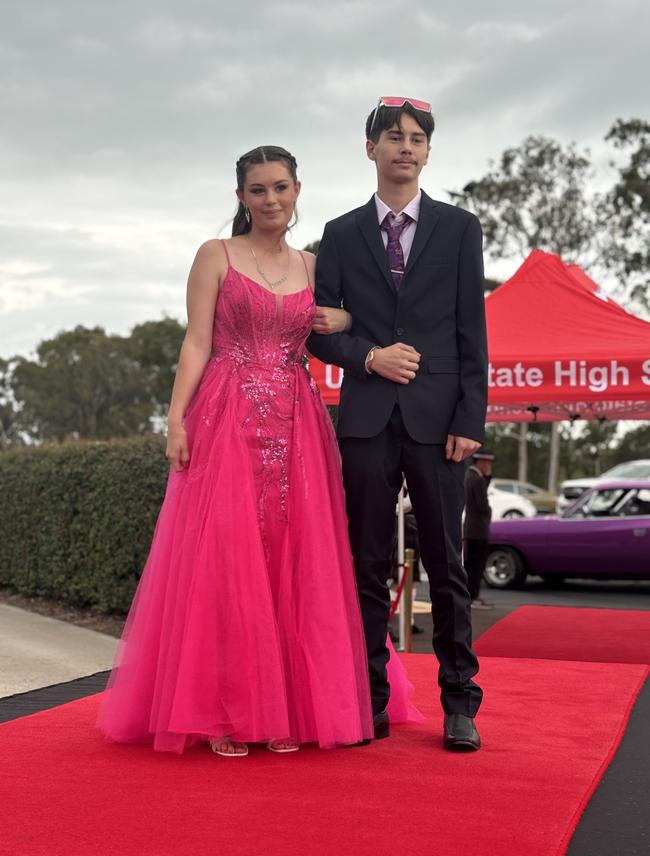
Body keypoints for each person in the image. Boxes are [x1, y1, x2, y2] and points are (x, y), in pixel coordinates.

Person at [98, 145, 417, 757]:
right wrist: (175, 419)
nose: (270, 200)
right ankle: (224, 710)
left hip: (299, 424)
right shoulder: (214, 256)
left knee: (296, 560)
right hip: (226, 415)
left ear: (298, 190)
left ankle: (286, 709)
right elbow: (196, 341)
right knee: (225, 563)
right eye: (257, 190)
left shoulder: (312, 262)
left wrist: (339, 321)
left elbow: (355, 318)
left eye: (280, 188)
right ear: (240, 197)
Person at [307, 97, 488, 751]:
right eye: (393, 137)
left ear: (428, 152)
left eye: (417, 139)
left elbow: (473, 331)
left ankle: (460, 703)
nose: (405, 147)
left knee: (448, 565)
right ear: (370, 149)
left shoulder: (461, 229)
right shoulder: (341, 232)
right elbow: (320, 331)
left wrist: (472, 417)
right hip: (363, 420)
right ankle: (368, 701)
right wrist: (370, 357)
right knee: (365, 564)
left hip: (440, 423)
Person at [464, 449, 495, 609]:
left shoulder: (470, 476)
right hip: (478, 529)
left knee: (471, 565)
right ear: (481, 462)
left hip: (470, 528)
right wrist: (489, 514)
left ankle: (469, 595)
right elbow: (483, 505)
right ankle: (473, 596)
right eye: (488, 463)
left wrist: (487, 477)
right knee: (477, 566)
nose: (489, 466)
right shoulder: (477, 480)